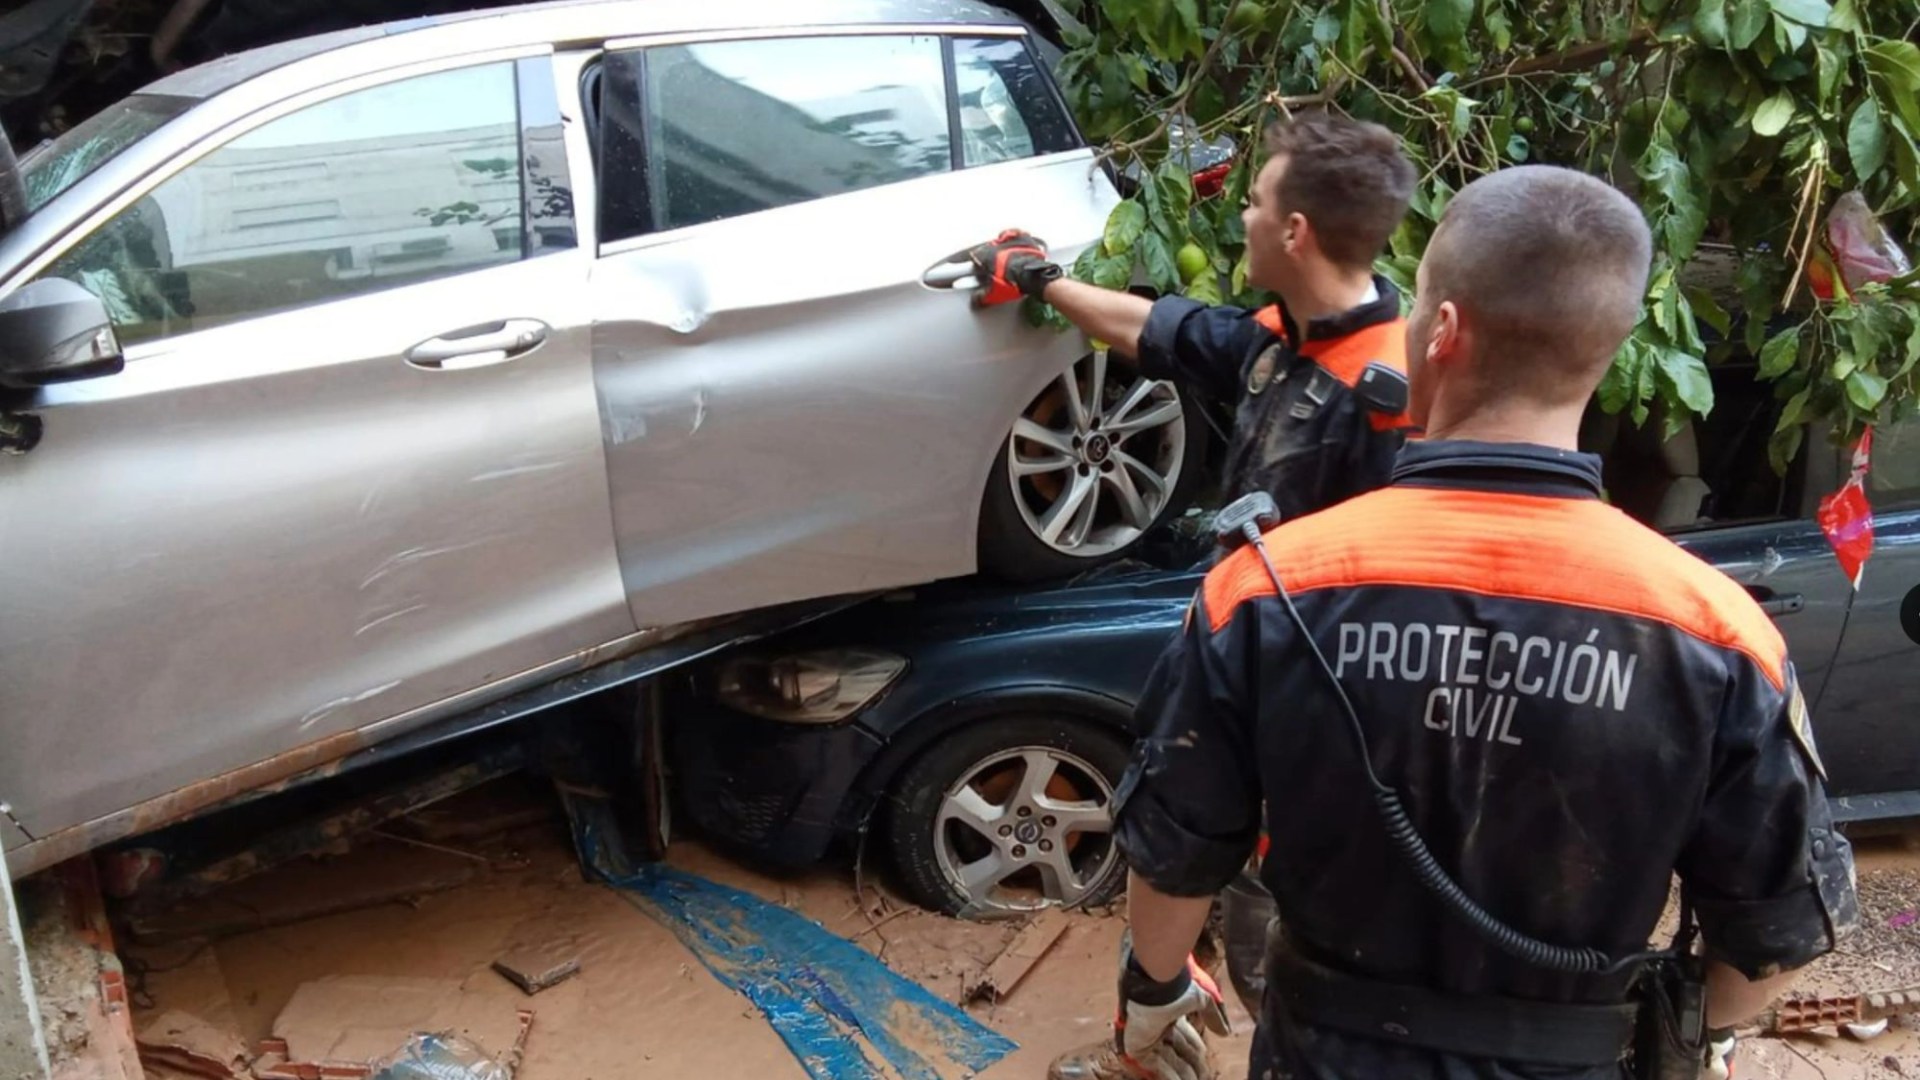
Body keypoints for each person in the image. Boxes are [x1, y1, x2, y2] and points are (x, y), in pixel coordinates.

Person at [1103, 163, 1860, 1080]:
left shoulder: (1265, 587)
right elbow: (1774, 930)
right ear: (1607, 350)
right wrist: (1702, 1032)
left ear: (1445, 334)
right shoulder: (1718, 631)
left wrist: (1153, 990)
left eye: (1415, 308)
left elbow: (1175, 855)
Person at [969, 110, 1420, 529]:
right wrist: (1040, 279)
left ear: (1293, 232)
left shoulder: (1389, 403)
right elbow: (1152, 328)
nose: (1244, 218)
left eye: (1255, 203)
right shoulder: (1280, 338)